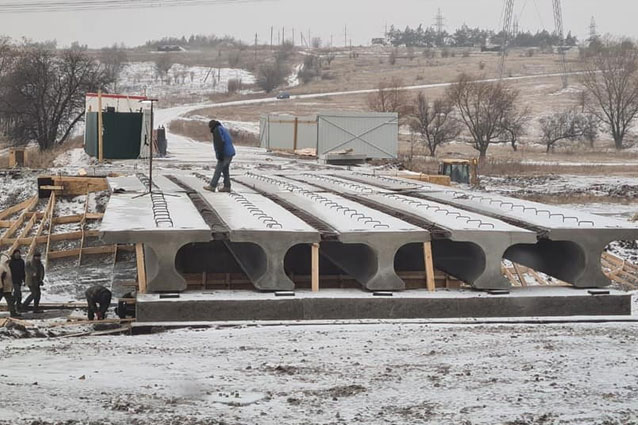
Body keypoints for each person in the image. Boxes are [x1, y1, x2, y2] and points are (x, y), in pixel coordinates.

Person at [204, 120, 235, 193]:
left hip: (225, 153)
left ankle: (212, 186)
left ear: (211, 126)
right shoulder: (222, 128)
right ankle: (227, 186)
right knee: (225, 170)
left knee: (218, 170)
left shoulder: (216, 130)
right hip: (230, 152)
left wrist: (220, 154)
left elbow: (219, 143)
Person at [0, 253, 19, 318]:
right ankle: (13, 312)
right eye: (7, 261)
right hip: (2, 287)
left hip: (7, 287)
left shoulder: (7, 267)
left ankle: (13, 312)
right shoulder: (1, 267)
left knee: (10, 301)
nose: (8, 262)